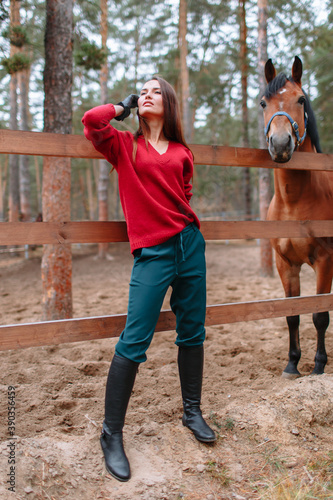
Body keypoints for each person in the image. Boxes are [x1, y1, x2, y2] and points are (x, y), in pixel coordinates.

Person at [82, 76, 216, 482]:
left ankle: (191, 412)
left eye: (154, 91)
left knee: (192, 332)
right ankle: (111, 434)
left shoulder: (181, 151)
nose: (146, 95)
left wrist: (185, 232)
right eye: (141, 91)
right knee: (135, 337)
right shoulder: (125, 145)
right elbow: (91, 122)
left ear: (169, 103)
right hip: (152, 253)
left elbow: (184, 191)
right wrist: (123, 108)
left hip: (189, 246)